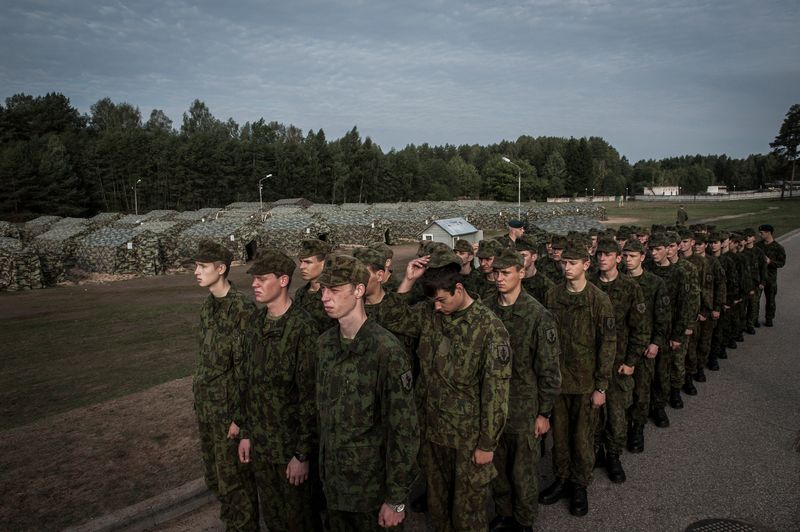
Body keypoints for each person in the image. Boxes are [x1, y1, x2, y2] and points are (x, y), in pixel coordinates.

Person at [382, 248, 512, 532]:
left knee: (468, 515)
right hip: (432, 433)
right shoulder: (429, 315)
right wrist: (408, 280)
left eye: (441, 300)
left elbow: (496, 393)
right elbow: (389, 318)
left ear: (459, 288)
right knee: (438, 510)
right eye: (433, 301)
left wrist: (487, 444)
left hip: (467, 440)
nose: (437, 307)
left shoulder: (489, 328)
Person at [316, 255, 420, 531]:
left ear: (359, 290)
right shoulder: (324, 346)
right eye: (323, 290)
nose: (325, 297)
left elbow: (403, 430)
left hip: (371, 490)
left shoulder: (386, 351)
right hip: (333, 485)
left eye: (335, 290)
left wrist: (396, 499)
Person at [237, 249, 322, 532]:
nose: (254, 285)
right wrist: (247, 433)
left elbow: (310, 398)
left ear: (283, 280)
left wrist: (302, 454)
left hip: (290, 451)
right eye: (254, 279)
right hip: (262, 447)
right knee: (273, 520)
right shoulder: (255, 325)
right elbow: (248, 384)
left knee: (300, 521)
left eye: (262, 279)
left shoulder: (303, 328)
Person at [486, 248, 561, 532]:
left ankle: (524, 520)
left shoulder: (538, 315)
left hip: (524, 407)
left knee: (524, 472)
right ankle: (505, 514)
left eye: (506, 273)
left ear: (521, 272)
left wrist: (544, 412)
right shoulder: (487, 309)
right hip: (493, 406)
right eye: (496, 273)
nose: (499, 278)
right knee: (498, 468)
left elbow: (549, 369)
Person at [539, 240, 615, 517]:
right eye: (564, 263)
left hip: (585, 383)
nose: (567, 267)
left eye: (572, 263)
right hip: (559, 382)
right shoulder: (553, 295)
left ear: (586, 265)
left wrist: (601, 386)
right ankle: (561, 478)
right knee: (559, 436)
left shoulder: (598, 299)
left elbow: (608, 344)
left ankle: (579, 484)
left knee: (582, 438)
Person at [191, 239, 259, 531]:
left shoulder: (242, 309)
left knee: (236, 485)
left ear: (221, 269)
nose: (196, 271)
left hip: (230, 416)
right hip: (208, 411)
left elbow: (249, 371)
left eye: (202, 266)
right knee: (215, 480)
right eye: (196, 265)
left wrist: (241, 420)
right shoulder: (208, 306)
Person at [589, 239, 649, 483]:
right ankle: (595, 452)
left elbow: (640, 329)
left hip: (619, 363)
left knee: (616, 415)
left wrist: (632, 360)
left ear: (618, 258)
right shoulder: (589, 285)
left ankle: (613, 455)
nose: (602, 258)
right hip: (592, 363)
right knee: (592, 416)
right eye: (599, 254)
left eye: (608, 254)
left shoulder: (630, 288)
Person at [622, 239, 670, 453]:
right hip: (622, 347)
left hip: (644, 347)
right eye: (625, 256)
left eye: (633, 256)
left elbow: (662, 316)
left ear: (642, 257)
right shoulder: (619, 281)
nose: (628, 260)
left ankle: (637, 429)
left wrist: (655, 342)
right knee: (622, 393)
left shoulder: (655, 282)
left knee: (642, 391)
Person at [646, 234, 692, 427]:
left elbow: (684, 306)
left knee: (662, 371)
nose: (654, 253)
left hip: (667, 330)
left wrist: (677, 335)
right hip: (647, 329)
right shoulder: (646, 270)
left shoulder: (679, 273)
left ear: (668, 249)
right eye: (651, 249)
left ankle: (659, 406)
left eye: (658, 249)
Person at [294, 239, 336, 331]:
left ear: (323, 264)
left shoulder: (334, 294)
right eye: (301, 262)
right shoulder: (300, 293)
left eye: (308, 262)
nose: (301, 267)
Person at [757, 224, 786, 327]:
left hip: (771, 278)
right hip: (759, 278)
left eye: (762, 233)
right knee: (756, 300)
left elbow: (782, 263)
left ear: (768, 233)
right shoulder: (758, 246)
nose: (760, 235)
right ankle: (754, 319)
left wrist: (770, 262)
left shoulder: (778, 247)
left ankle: (769, 318)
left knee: (770, 300)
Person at [517, 235, 554, 305]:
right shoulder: (510, 281)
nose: (519, 259)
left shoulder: (546, 286)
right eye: (516, 255)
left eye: (523, 255)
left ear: (534, 257)